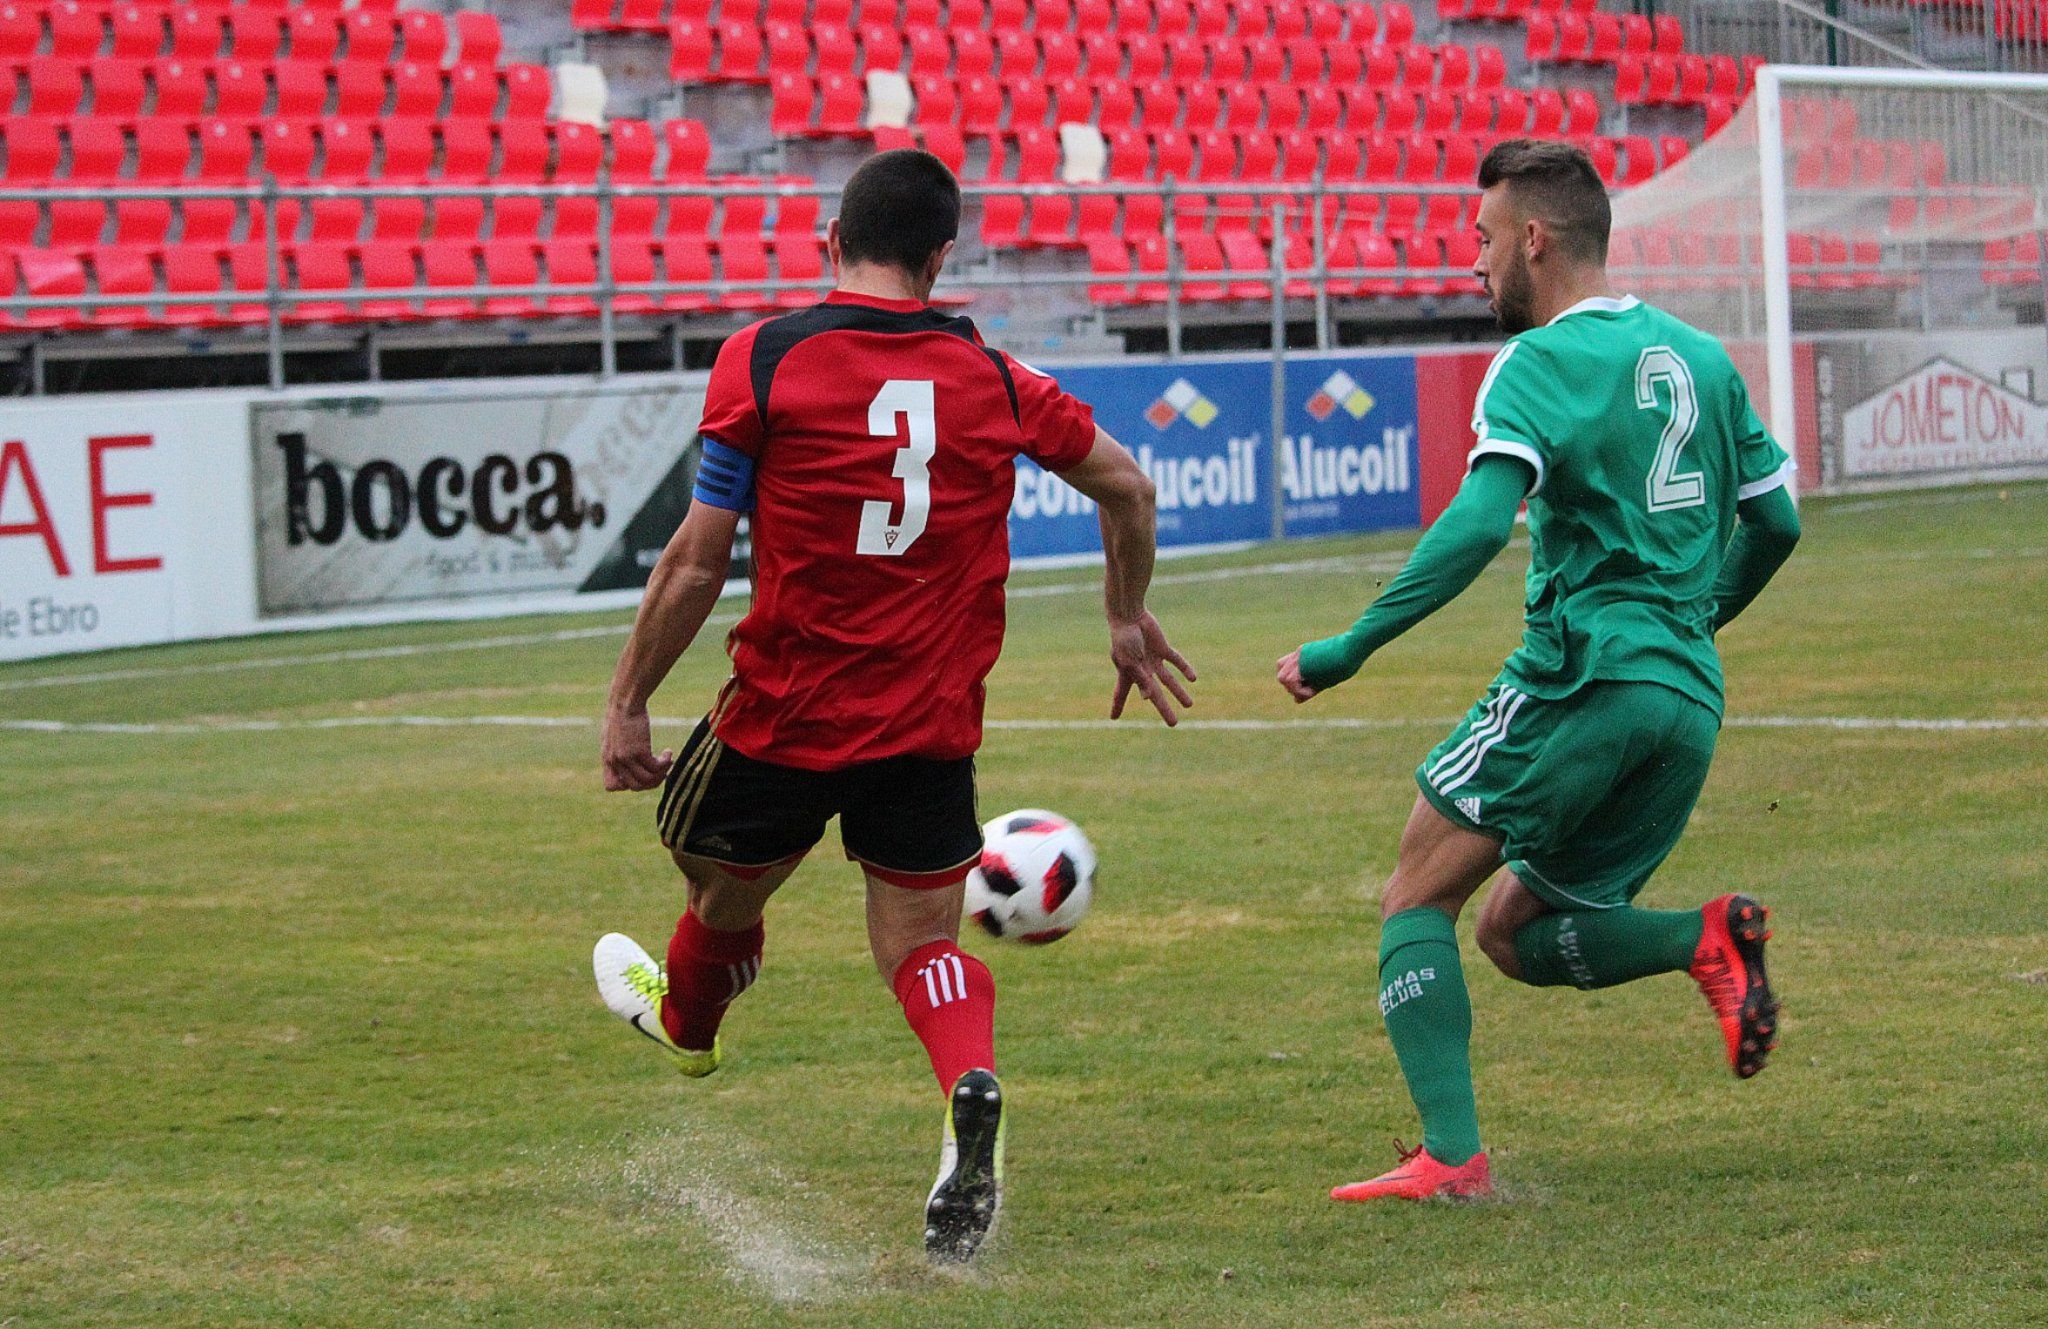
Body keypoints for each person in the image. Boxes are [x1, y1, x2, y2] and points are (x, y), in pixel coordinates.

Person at [591, 149, 1194, 1262]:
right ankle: (967, 1078)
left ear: (830, 238)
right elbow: (1131, 486)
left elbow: (694, 559)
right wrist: (1123, 611)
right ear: (940, 258)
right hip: (928, 725)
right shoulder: (999, 378)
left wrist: (629, 699)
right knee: (918, 939)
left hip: (783, 711)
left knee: (713, 875)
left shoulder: (762, 360)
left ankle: (688, 1024)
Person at [1276, 139, 1802, 1202]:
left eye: (1478, 239)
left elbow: (1477, 527)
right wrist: (1693, 626)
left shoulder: (1536, 362)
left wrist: (1347, 649)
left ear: (1532, 239)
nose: (1469, 263)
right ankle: (1703, 938)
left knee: (1413, 894)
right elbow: (1776, 523)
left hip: (1581, 674)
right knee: (1513, 931)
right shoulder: (1700, 358)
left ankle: (1452, 1159)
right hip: (1685, 699)